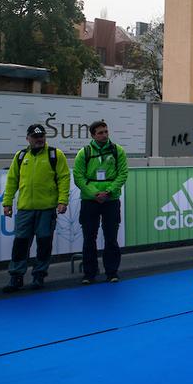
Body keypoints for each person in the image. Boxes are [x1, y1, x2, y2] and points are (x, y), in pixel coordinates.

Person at [2, 124, 71, 292]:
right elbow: (12, 180)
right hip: (25, 209)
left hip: (47, 209)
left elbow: (64, 178)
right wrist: (7, 202)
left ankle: (39, 275)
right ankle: (16, 277)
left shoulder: (55, 154)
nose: (39, 139)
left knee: (44, 243)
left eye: (42, 136)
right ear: (28, 138)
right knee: (20, 244)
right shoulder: (20, 156)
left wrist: (63, 201)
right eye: (35, 137)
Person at [73, 120, 129, 284]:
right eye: (100, 133)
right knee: (89, 237)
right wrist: (94, 193)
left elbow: (123, 174)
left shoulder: (118, 151)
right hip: (90, 201)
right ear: (92, 135)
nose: (104, 135)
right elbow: (78, 177)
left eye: (106, 131)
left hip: (111, 200)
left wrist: (109, 191)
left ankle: (112, 272)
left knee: (111, 237)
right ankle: (89, 273)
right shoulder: (84, 153)